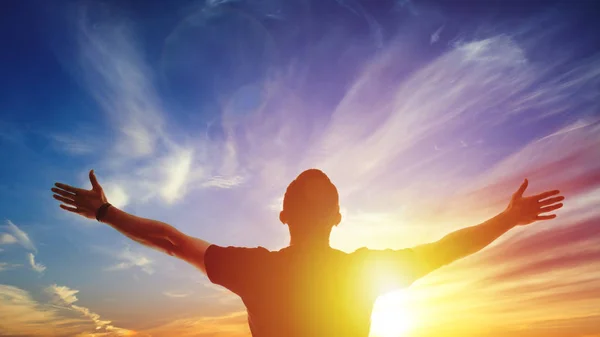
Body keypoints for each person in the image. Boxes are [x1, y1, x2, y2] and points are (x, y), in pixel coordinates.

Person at [51, 169, 564, 337]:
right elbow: (446, 249)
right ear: (338, 218)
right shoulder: (364, 271)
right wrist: (506, 219)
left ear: (283, 217)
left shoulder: (254, 268)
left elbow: (170, 240)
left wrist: (106, 213)